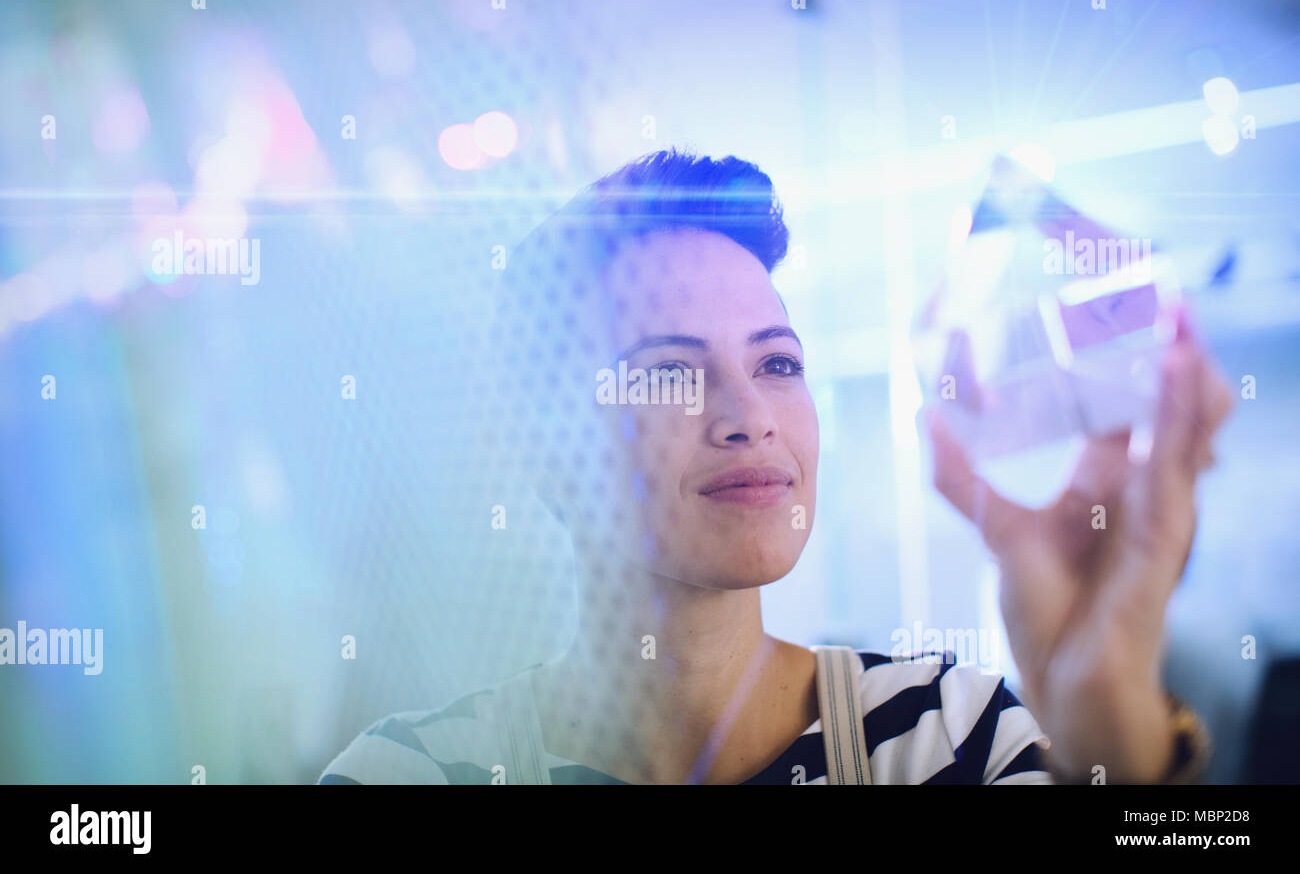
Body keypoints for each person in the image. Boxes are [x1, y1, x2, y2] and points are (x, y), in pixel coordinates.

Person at [319, 149, 1232, 785]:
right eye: (670, 372)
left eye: (778, 363)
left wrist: (1112, 731)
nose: (750, 416)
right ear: (540, 441)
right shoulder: (406, 773)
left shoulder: (949, 736)